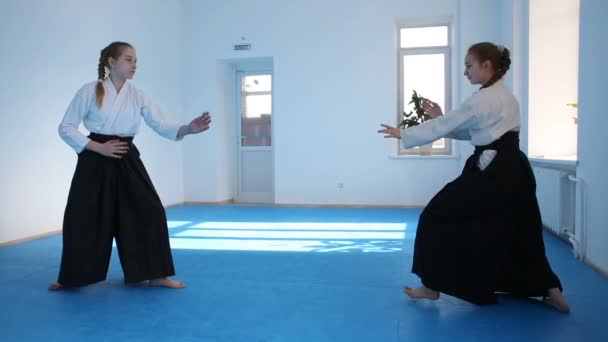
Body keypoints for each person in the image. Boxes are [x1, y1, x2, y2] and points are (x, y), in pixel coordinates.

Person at [378, 42, 570, 313]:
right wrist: (443, 119)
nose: (466, 71)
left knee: (434, 215)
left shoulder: (482, 99)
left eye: (469, 65)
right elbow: (470, 132)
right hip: (516, 168)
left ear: (487, 66)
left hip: (492, 170)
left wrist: (404, 134)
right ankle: (551, 289)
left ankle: (431, 285)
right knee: (522, 229)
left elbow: (448, 126)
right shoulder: (506, 97)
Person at [49, 41, 211, 290]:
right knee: (83, 216)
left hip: (126, 156)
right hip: (94, 157)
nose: (134, 65)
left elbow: (160, 123)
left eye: (135, 60)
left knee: (150, 211)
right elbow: (66, 127)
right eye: (128, 59)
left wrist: (188, 129)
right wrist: (99, 147)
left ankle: (156, 274)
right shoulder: (89, 91)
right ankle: (71, 277)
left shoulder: (138, 95)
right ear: (111, 62)